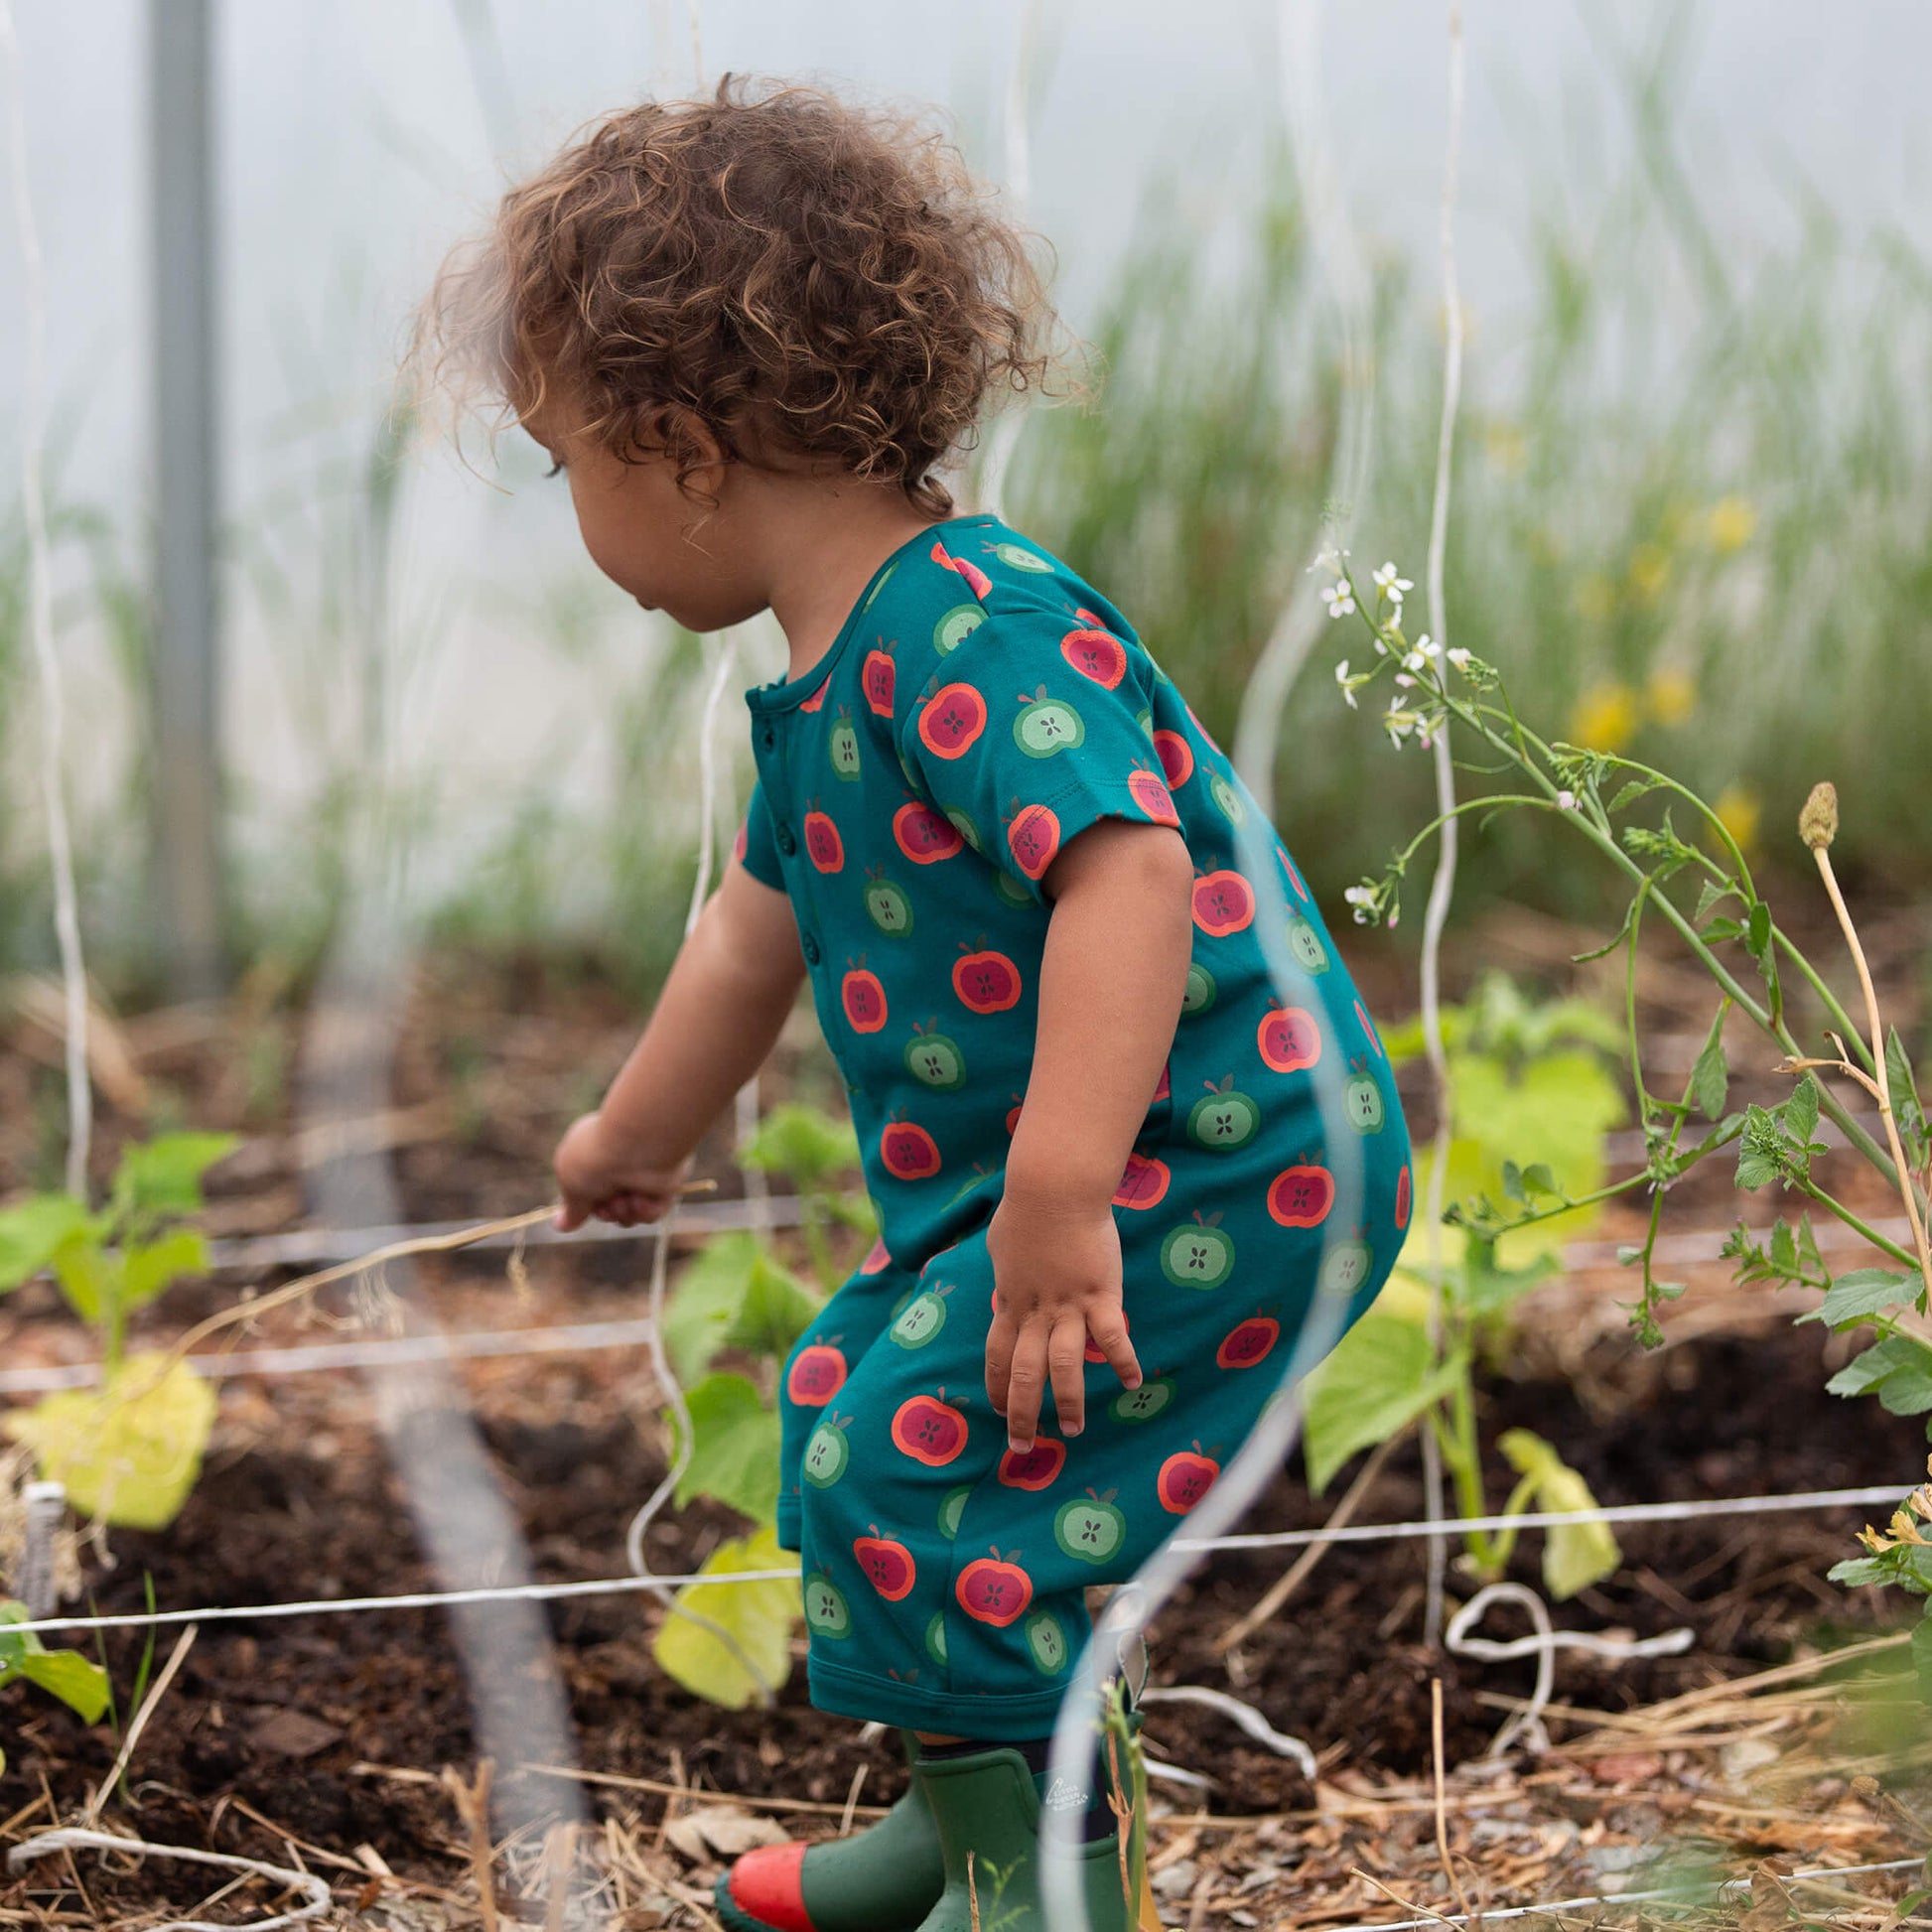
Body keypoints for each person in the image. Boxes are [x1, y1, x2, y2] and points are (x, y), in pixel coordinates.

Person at [420, 75, 1412, 1932]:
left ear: (679, 446)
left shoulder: (971, 619)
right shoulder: (832, 678)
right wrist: (630, 1136)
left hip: (1215, 1161)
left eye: (568, 467)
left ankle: (1046, 1884)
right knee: (847, 1413)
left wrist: (1056, 1192)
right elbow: (751, 933)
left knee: (918, 1464)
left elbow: (1125, 871)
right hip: (1097, 1174)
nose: (577, 516)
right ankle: (969, 1830)